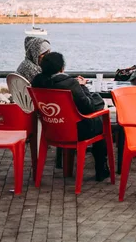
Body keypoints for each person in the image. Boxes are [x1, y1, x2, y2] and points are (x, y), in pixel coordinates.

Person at [31, 52, 110, 182]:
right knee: (101, 124)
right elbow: (88, 108)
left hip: (51, 130)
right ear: (61, 68)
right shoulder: (70, 84)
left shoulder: (37, 83)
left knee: (95, 111)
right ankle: (101, 170)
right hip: (75, 132)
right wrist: (82, 86)